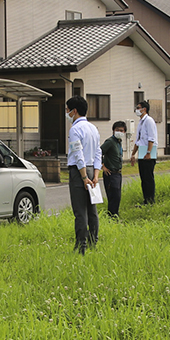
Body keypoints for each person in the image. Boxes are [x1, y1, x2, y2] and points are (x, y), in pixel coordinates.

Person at [66, 95, 101, 254]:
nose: (67, 113)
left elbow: (77, 153)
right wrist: (95, 174)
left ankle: (81, 246)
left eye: (67, 110)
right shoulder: (93, 128)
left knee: (80, 211)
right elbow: (98, 152)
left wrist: (84, 177)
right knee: (92, 210)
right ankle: (93, 242)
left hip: (79, 172)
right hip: (92, 169)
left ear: (74, 111)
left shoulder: (75, 129)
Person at [129, 99, 158, 204]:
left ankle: (150, 200)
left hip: (149, 151)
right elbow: (138, 140)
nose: (137, 110)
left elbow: (151, 138)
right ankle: (146, 199)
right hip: (142, 151)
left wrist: (149, 152)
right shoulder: (141, 122)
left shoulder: (149, 120)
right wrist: (133, 154)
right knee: (144, 177)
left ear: (144, 109)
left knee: (148, 177)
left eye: (138, 108)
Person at [100, 120, 126, 219]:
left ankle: (115, 215)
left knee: (117, 196)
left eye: (122, 130)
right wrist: (103, 166)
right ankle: (112, 217)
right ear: (113, 131)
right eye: (117, 130)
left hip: (118, 173)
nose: (119, 132)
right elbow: (98, 153)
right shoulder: (110, 142)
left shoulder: (119, 142)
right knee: (113, 196)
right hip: (111, 173)